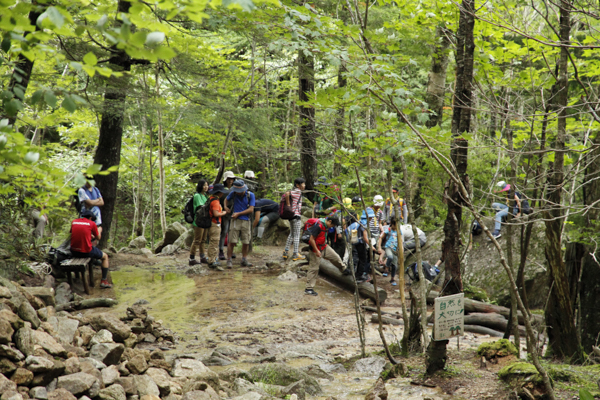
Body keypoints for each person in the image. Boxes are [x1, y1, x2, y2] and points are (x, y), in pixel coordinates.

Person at [305, 216, 350, 296]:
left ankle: (343, 269)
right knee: (314, 268)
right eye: (332, 225)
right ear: (329, 221)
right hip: (315, 249)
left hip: (324, 246)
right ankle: (309, 288)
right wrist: (317, 251)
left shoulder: (325, 226)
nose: (332, 227)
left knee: (336, 257)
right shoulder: (318, 226)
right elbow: (311, 239)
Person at [70, 210, 111, 288]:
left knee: (91, 249)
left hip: (73, 251)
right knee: (105, 256)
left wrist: (90, 235)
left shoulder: (74, 221)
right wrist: (99, 230)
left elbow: (77, 233)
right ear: (91, 217)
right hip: (85, 251)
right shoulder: (92, 223)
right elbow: (98, 238)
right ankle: (104, 281)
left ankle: (95, 261)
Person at [225, 180, 255, 268]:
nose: (238, 193)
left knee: (246, 241)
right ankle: (229, 260)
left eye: (239, 191)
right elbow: (226, 200)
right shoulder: (233, 193)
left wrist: (239, 214)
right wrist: (225, 207)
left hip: (246, 221)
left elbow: (251, 209)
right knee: (232, 241)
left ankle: (244, 259)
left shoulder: (250, 195)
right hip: (235, 221)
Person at [283, 177, 306, 261]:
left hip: (291, 216)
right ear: (298, 185)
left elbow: (287, 193)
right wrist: (289, 205)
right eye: (303, 184)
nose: (304, 185)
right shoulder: (298, 191)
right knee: (296, 235)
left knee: (292, 234)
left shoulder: (295, 191)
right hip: (296, 216)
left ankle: (285, 252)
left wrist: (289, 205)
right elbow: (287, 194)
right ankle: (295, 253)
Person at [206, 184, 229, 270]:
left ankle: (212, 258)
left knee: (212, 242)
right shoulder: (215, 201)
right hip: (215, 223)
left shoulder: (211, 198)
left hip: (212, 223)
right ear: (219, 193)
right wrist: (223, 213)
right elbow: (216, 214)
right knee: (214, 242)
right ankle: (212, 261)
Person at [346, 212, 371, 284]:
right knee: (363, 259)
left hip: (355, 242)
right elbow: (365, 238)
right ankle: (359, 276)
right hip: (360, 243)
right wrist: (371, 246)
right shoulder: (364, 224)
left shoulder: (359, 222)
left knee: (357, 257)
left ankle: (355, 273)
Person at [189, 179, 210, 266]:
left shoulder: (205, 195)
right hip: (198, 221)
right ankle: (192, 258)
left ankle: (202, 257)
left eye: (207, 185)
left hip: (204, 221)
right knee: (197, 240)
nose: (206, 187)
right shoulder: (197, 196)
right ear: (200, 186)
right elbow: (201, 207)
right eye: (204, 185)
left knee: (203, 240)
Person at [219, 171, 237, 260]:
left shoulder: (235, 189)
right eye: (229, 179)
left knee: (231, 232)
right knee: (224, 231)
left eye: (232, 179)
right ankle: (221, 250)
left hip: (233, 213)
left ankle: (230, 251)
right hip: (224, 214)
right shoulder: (223, 190)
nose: (230, 181)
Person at [378, 218, 400, 286]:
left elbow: (401, 240)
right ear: (392, 224)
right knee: (390, 257)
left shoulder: (399, 231)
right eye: (394, 225)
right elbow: (381, 238)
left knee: (394, 266)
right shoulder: (388, 230)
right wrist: (379, 247)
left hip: (395, 249)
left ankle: (392, 279)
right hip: (388, 247)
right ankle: (386, 267)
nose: (395, 227)